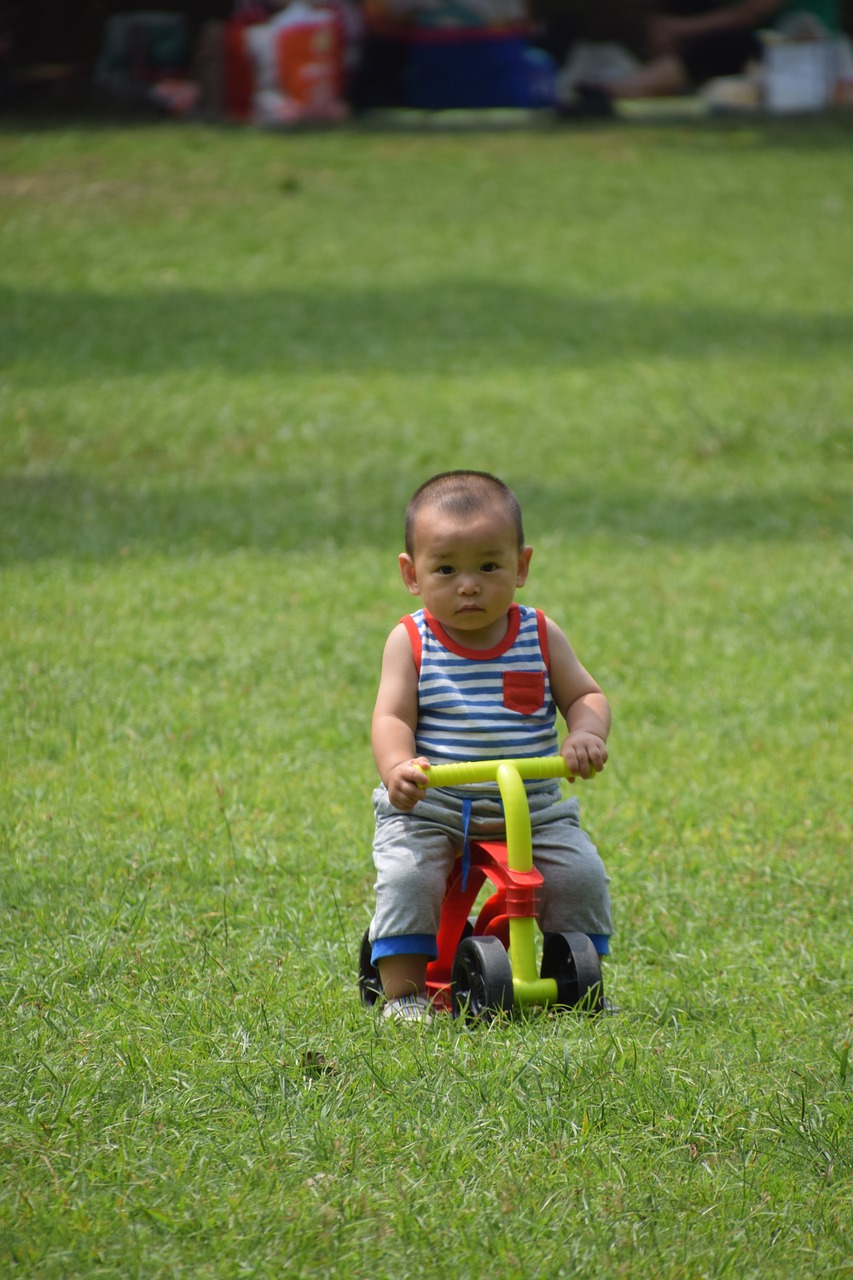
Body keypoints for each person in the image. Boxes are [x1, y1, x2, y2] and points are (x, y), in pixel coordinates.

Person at [368, 470, 613, 1020]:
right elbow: (390, 716)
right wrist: (398, 767)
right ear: (412, 573)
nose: (469, 585)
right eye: (446, 569)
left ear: (521, 566)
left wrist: (586, 733)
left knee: (579, 874)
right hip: (434, 806)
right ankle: (404, 994)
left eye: (488, 566)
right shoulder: (411, 641)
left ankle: (577, 978)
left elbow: (586, 695)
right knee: (408, 874)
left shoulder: (539, 634)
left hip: (530, 811)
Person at [559, 0, 842, 113]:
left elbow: (751, 13)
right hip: (772, 59)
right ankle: (609, 90)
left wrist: (678, 29)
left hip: (808, 54)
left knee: (728, 42)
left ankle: (610, 90)